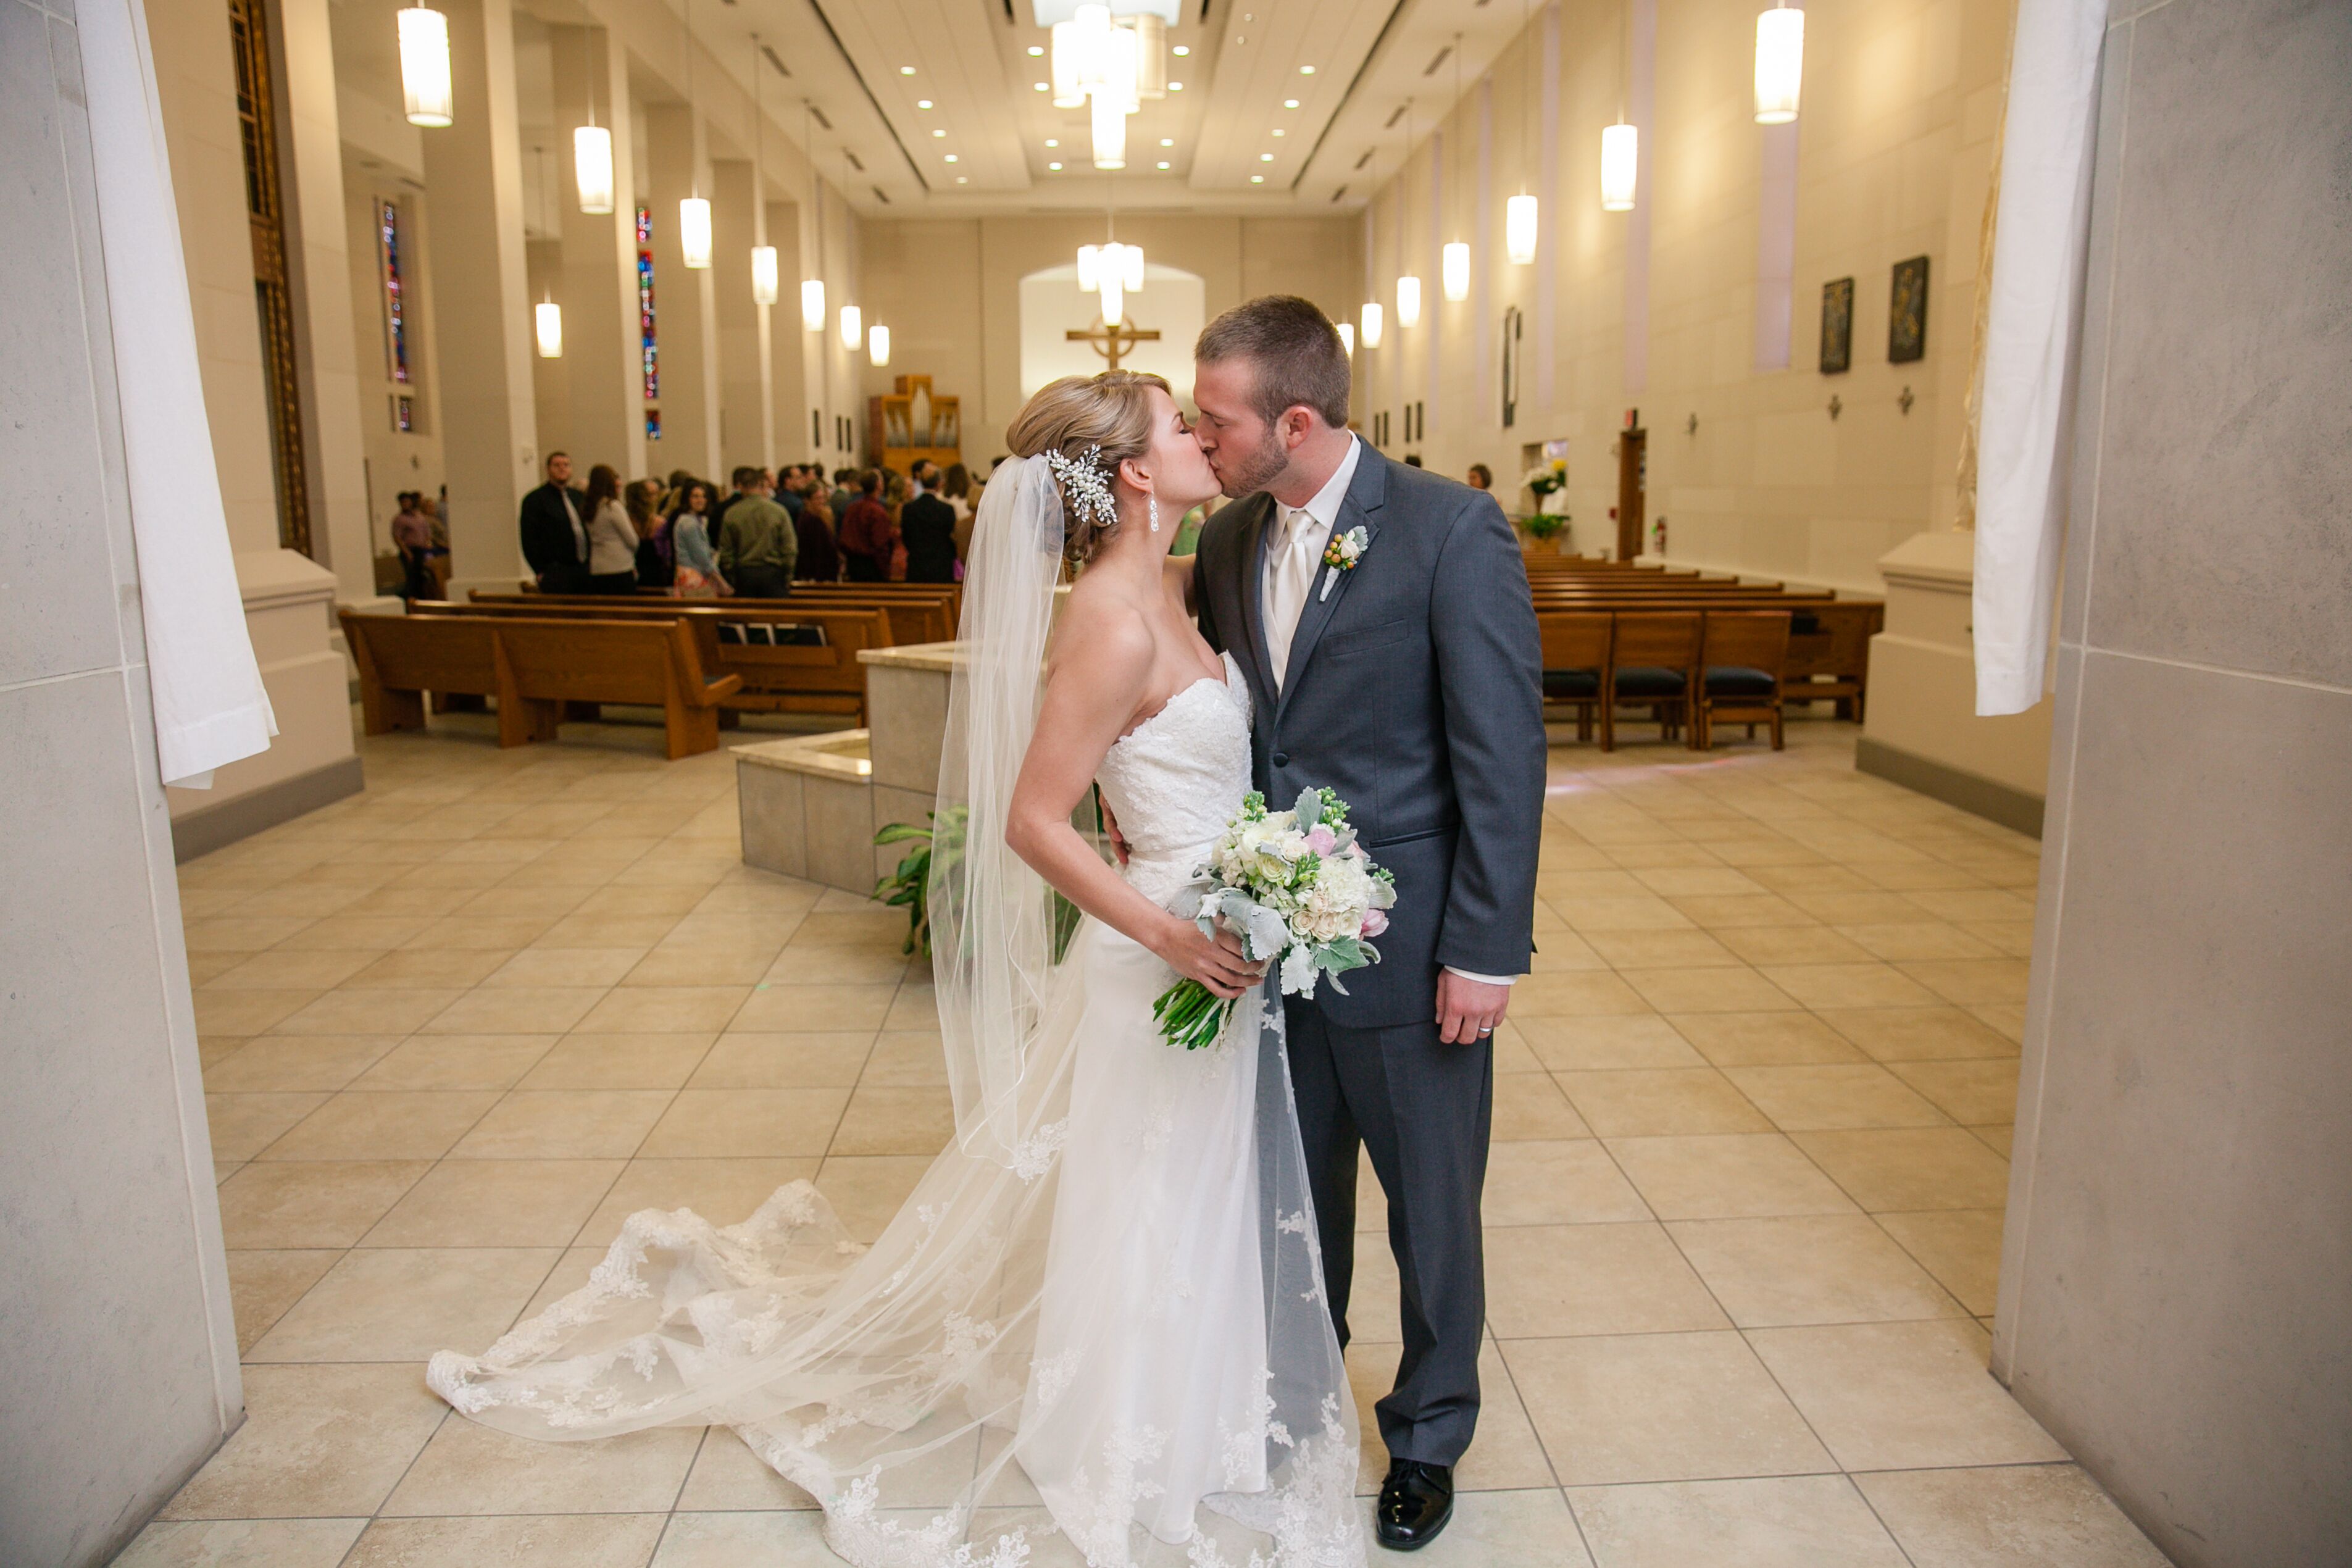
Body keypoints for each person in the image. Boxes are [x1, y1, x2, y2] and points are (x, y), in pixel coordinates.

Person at [427, 369, 1367, 1568]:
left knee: (1199, 1185)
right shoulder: (1115, 620)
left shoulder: (1179, 585)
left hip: (1215, 922)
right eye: (1180, 426)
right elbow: (1034, 817)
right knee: (1154, 1183)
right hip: (1167, 949)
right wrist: (1169, 928)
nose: (1199, 435)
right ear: (1134, 473)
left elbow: (1148, 760)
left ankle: (1210, 1407)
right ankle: (1136, 1428)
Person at [1189, 295, 1545, 1550]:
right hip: (1272, 948)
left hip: (1412, 948)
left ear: (1294, 419)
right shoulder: (1230, 540)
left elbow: (1502, 754)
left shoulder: (1451, 530)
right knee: (1296, 1191)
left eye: (1217, 418)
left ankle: (1430, 1429)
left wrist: (1486, 947)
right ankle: (1301, 1398)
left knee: (1433, 1202)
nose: (1201, 436)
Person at [715, 467, 797, 597]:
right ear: (762, 485)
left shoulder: (732, 513)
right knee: (775, 616)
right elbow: (789, 548)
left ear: (741, 487)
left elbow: (726, 552)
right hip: (773, 574)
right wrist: (787, 575)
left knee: (746, 616)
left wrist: (733, 577)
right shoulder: (778, 511)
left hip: (745, 575)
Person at [518, 451, 589, 593]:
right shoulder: (535, 500)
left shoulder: (578, 496)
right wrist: (539, 570)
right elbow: (529, 538)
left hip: (583, 568)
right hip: (555, 571)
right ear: (548, 469)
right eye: (557, 465)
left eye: (566, 465)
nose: (562, 468)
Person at [899, 461, 961, 584]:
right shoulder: (946, 509)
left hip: (916, 566)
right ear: (939, 484)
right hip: (941, 567)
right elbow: (952, 537)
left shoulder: (909, 508)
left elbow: (906, 537)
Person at [836, 469, 899, 583]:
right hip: (872, 566)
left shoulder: (852, 508)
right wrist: (886, 571)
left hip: (853, 564)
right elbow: (880, 545)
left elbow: (844, 536)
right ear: (879, 485)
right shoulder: (877, 511)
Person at [582, 464, 638, 593]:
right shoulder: (612, 506)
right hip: (619, 567)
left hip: (597, 567)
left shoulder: (589, 507)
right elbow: (632, 540)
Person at [632, 477, 675, 591]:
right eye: (652, 494)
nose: (656, 497)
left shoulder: (628, 519)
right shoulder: (659, 522)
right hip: (656, 570)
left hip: (639, 568)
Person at [390, 491, 434, 602]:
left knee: (422, 577)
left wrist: (428, 543)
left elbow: (427, 532)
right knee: (412, 578)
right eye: (403, 502)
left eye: (407, 502)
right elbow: (397, 538)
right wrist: (407, 552)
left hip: (422, 550)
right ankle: (410, 601)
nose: (405, 504)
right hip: (410, 551)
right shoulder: (400, 519)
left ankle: (423, 600)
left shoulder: (419, 517)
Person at [793, 486, 842, 583]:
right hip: (816, 576)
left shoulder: (821, 518)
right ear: (807, 501)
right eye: (818, 498)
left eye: (823, 498)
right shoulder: (809, 520)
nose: (822, 501)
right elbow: (815, 552)